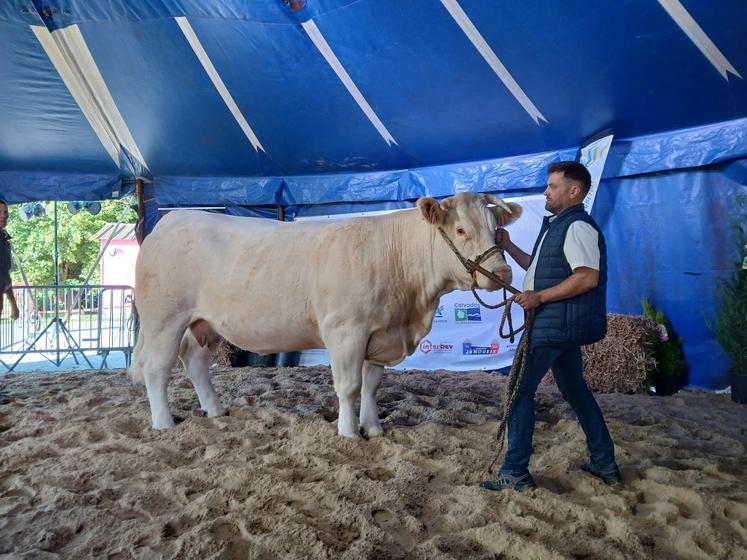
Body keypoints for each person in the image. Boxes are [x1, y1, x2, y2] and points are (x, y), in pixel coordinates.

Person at [480, 161, 621, 492]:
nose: (546, 191)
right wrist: (508, 245)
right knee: (576, 392)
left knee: (517, 391)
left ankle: (514, 470)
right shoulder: (558, 225)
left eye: (553, 186)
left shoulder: (577, 227)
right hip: (560, 325)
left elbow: (587, 277)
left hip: (554, 324)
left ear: (574, 191)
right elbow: (538, 269)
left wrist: (540, 297)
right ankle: (604, 463)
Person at [0, 199, 19, 321]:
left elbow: (4, 276)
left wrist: (13, 303)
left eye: (5, 212)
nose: (3, 215)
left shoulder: (4, 239)